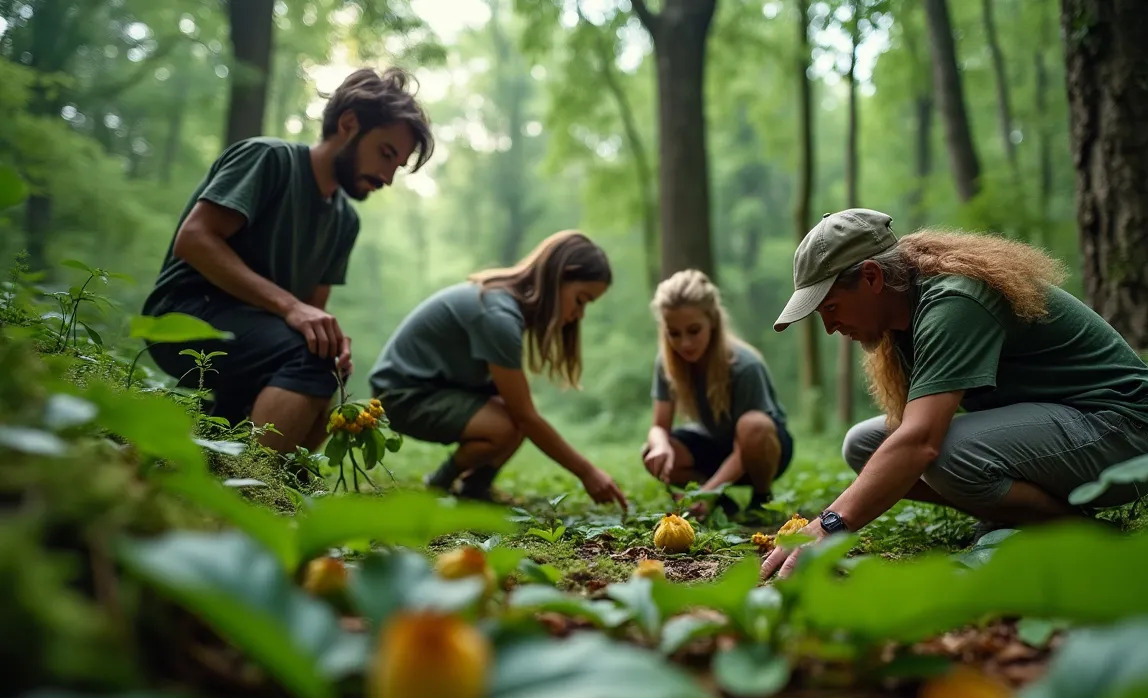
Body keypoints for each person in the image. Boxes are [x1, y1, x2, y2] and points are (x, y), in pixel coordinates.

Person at [760, 208, 1148, 580]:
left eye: (830, 307)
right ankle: (1022, 516)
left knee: (944, 451)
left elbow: (921, 441)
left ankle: (1077, 531)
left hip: (1126, 432)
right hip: (1072, 432)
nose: (830, 328)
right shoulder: (905, 319)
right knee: (866, 445)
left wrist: (830, 524)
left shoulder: (953, 301)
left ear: (871, 277)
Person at [140, 68, 433, 453]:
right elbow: (194, 240)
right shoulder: (269, 159)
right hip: (183, 315)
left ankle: (269, 473)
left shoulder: (344, 221)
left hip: (252, 339)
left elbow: (312, 313)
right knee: (307, 358)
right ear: (348, 124)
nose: (388, 177)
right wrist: (291, 308)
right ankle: (255, 481)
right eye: (386, 154)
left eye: (397, 166)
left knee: (324, 360)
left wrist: (332, 343)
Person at [368, 230, 628, 510]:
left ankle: (474, 487)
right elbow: (526, 417)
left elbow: (521, 411)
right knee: (509, 423)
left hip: (435, 388)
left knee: (514, 416)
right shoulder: (497, 315)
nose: (580, 314)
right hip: (400, 395)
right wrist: (587, 472)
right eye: (581, 299)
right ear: (560, 276)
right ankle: (440, 483)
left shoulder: (506, 307)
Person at [641, 269, 793, 520]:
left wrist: (705, 492)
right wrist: (660, 445)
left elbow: (749, 439)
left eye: (693, 330)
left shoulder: (745, 365)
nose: (685, 343)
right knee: (650, 452)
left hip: (764, 451)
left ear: (712, 321)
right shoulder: (667, 363)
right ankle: (721, 502)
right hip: (716, 444)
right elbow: (659, 426)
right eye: (674, 333)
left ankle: (761, 498)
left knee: (752, 425)